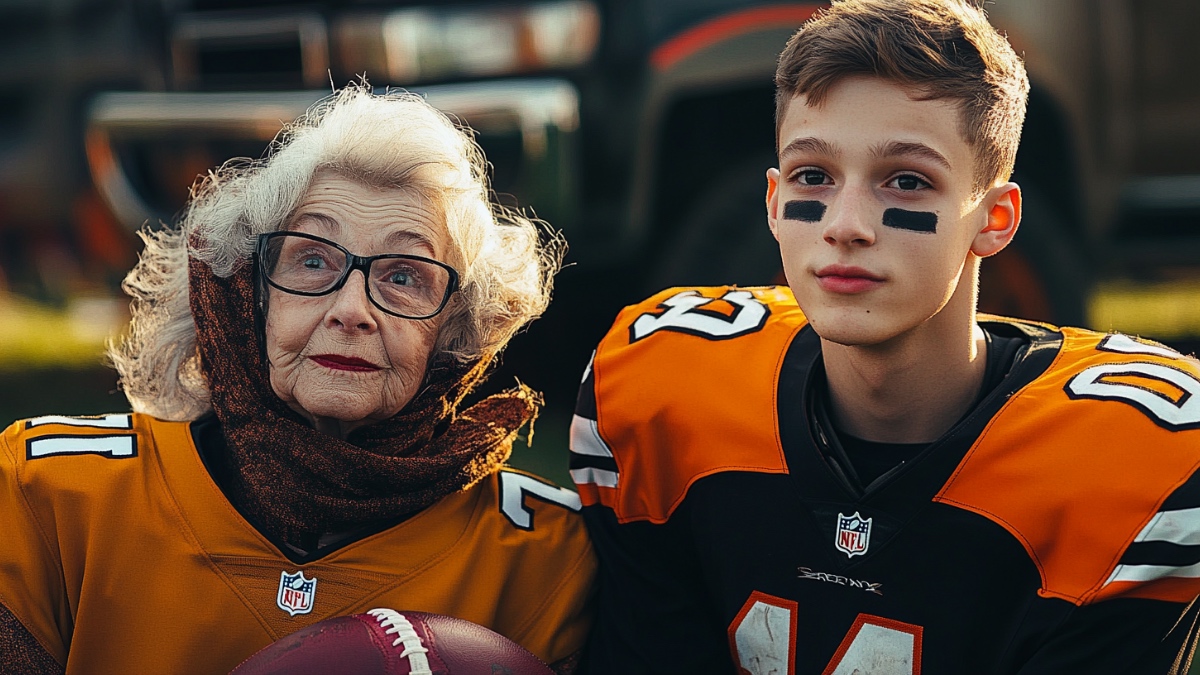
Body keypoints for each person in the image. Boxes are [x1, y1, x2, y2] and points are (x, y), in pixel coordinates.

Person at [569, 1, 1200, 672]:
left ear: (995, 218)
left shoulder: (1132, 457)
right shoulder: (659, 385)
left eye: (907, 180)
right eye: (815, 175)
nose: (846, 224)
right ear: (775, 202)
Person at [0, 86, 595, 675]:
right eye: (313, 261)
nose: (352, 309)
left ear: (455, 328)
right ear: (246, 295)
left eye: (405, 277)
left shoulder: (541, 556)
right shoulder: (52, 497)